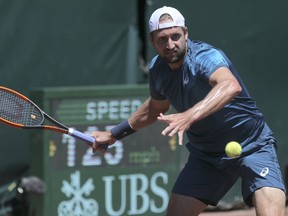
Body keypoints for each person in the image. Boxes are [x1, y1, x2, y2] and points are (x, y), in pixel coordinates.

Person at [91, 6, 286, 216]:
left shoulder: (205, 56)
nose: (170, 44)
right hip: (206, 156)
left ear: (186, 33)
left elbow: (230, 86)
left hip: (253, 145)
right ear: (152, 41)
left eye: (175, 36)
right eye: (162, 39)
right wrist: (113, 134)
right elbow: (154, 109)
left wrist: (189, 115)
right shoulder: (157, 70)